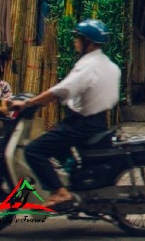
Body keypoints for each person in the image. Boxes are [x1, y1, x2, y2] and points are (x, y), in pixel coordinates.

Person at [7, 19, 121, 209]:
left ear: (89, 43)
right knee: (57, 143)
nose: (75, 41)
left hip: (81, 124)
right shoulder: (109, 65)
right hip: (98, 121)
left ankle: (59, 192)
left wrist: (29, 103)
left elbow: (61, 90)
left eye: (79, 38)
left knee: (34, 150)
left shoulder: (88, 66)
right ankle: (71, 181)